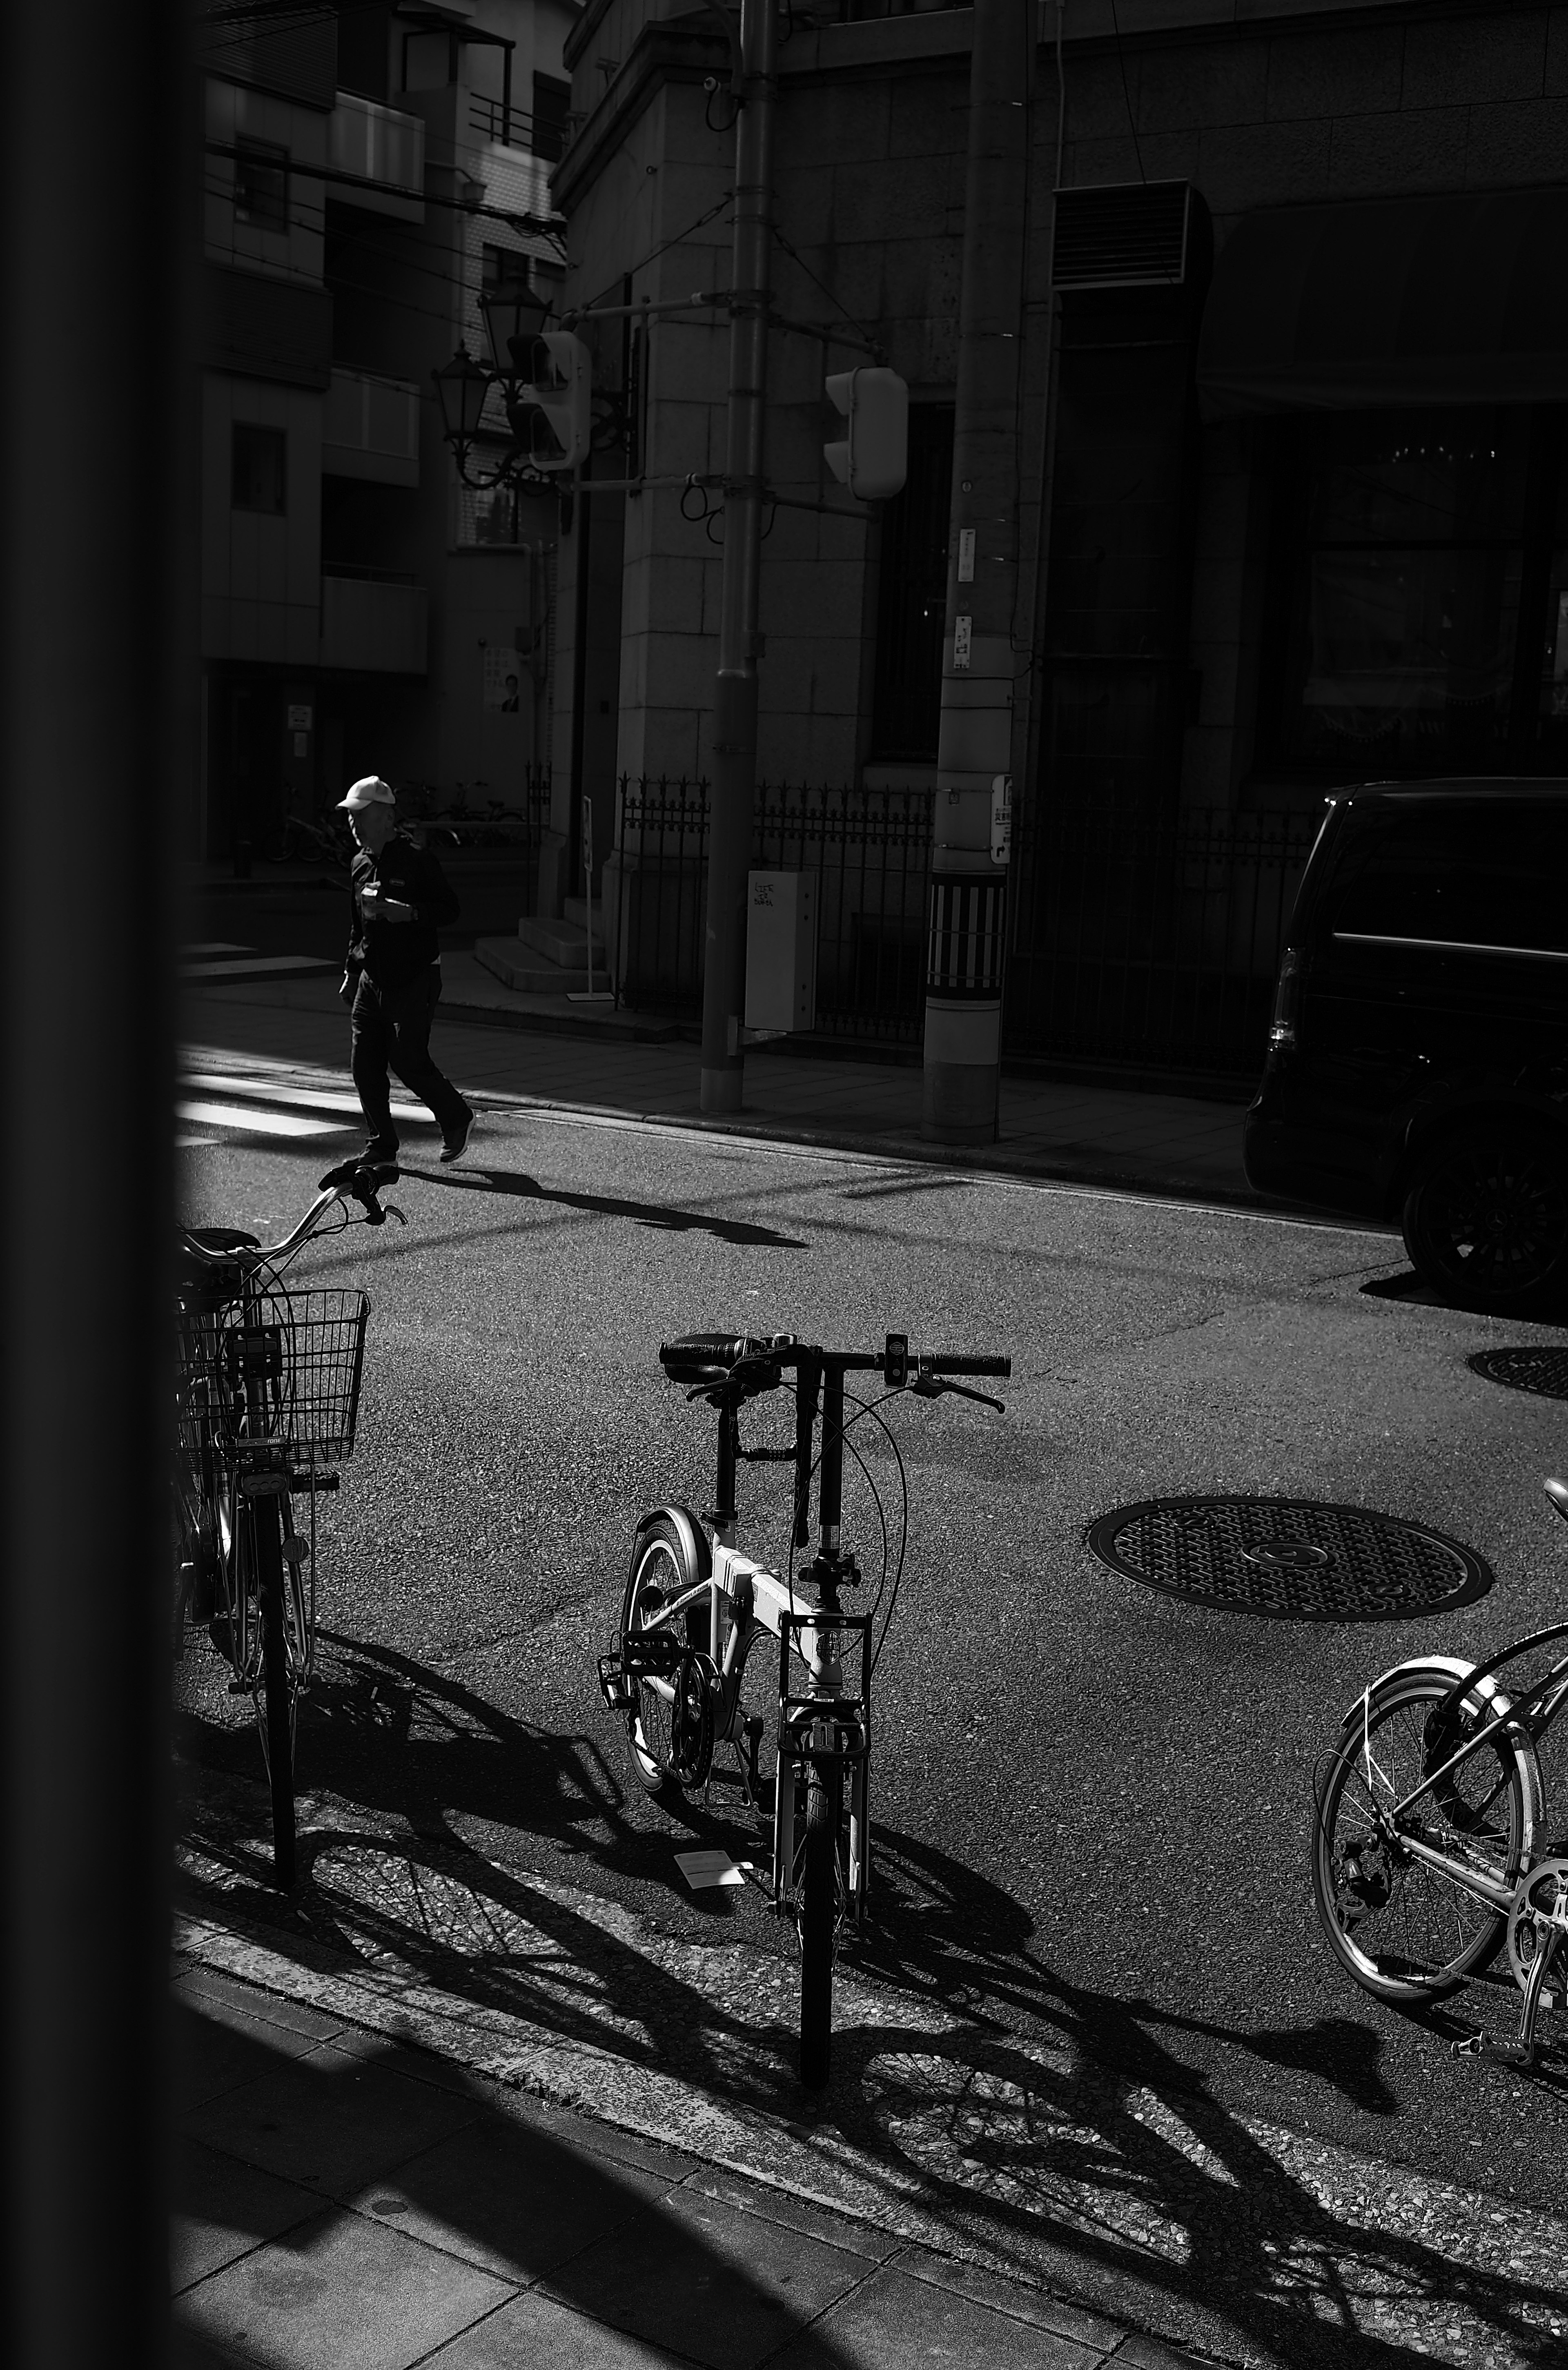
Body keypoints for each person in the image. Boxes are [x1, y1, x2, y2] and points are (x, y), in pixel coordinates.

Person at [336, 775, 474, 1169]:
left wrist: (409, 913)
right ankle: (381, 1145)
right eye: (350, 817)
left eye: (359, 816)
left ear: (385, 817)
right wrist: (351, 970)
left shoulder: (417, 860)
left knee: (409, 1060)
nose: (353, 824)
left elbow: (450, 910)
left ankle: (456, 1117)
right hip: (371, 981)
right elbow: (356, 925)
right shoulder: (360, 864)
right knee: (365, 1065)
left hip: (415, 976)